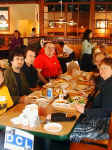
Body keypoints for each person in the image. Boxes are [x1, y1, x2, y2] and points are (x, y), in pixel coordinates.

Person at [70, 57, 112, 142]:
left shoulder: (110, 86)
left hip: (102, 126)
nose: (101, 71)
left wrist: (84, 110)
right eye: (100, 68)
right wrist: (87, 97)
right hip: (98, 119)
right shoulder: (107, 82)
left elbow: (106, 111)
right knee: (72, 122)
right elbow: (100, 98)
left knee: (70, 132)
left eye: (105, 68)